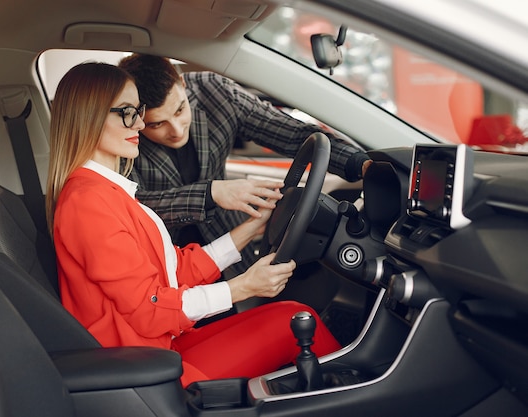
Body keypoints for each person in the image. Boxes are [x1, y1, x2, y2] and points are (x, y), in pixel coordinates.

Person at [46, 62, 341, 387]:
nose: (141, 123)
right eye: (128, 113)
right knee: (297, 321)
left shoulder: (107, 191)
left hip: (156, 347)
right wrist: (244, 286)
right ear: (88, 116)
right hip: (141, 370)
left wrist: (249, 230)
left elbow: (174, 272)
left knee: (289, 312)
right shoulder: (88, 202)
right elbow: (150, 308)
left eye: (139, 111)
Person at [118, 54, 372, 275]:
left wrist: (359, 163)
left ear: (183, 83)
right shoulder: (120, 134)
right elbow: (132, 208)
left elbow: (291, 133)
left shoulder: (215, 92)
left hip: (228, 241)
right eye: (156, 124)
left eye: (180, 110)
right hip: (162, 260)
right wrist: (211, 193)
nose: (176, 130)